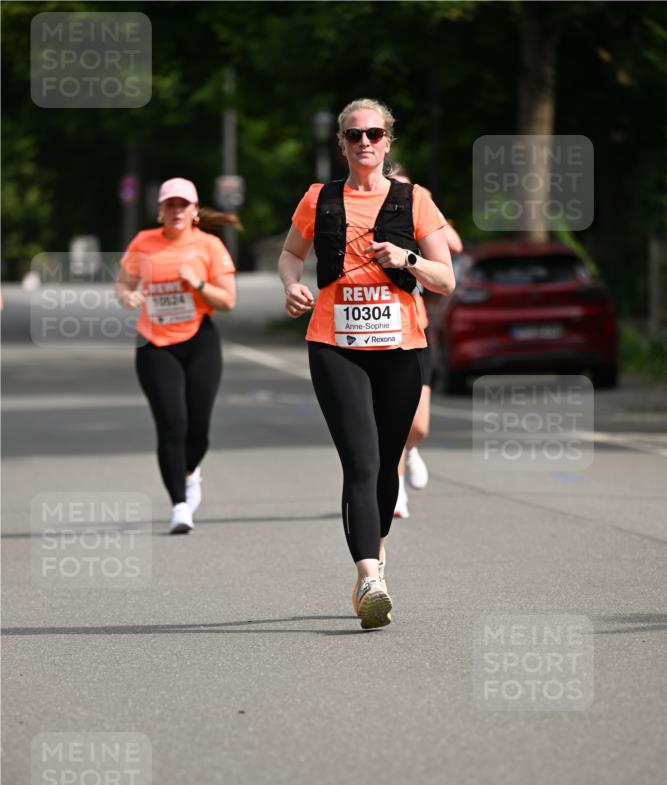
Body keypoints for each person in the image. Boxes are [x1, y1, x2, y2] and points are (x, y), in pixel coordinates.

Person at [278, 99, 455, 629]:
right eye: (354, 135)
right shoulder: (319, 199)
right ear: (341, 144)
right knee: (360, 461)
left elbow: (446, 279)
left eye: (373, 134)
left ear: (387, 141)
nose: (364, 142)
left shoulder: (414, 200)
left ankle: (374, 559)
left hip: (401, 348)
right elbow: (291, 254)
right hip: (335, 346)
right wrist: (291, 285)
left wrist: (408, 259)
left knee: (385, 465)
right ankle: (370, 577)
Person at [116, 178, 239, 533]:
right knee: (172, 424)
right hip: (154, 344)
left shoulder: (209, 246)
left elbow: (228, 301)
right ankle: (179, 505)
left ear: (195, 210)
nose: (176, 211)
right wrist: (128, 296)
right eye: (170, 204)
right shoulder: (144, 243)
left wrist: (197, 283)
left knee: (198, 430)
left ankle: (189, 471)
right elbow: (123, 284)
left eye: (183, 204)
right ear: (160, 210)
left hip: (200, 341)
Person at [389, 164, 463, 518]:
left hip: (416, 327)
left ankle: (411, 449)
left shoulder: (421, 210)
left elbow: (455, 245)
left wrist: (429, 205)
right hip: (382, 332)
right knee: (391, 420)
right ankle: (395, 490)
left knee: (418, 426)